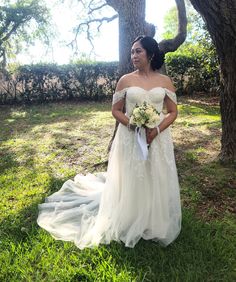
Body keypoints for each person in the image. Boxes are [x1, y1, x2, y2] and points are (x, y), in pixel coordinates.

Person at [37, 35, 181, 249]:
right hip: (131, 137)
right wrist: (133, 125)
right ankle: (130, 215)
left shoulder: (164, 81)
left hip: (158, 138)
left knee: (155, 173)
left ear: (150, 54)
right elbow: (115, 110)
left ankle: (154, 218)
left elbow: (172, 111)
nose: (133, 55)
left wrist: (156, 129)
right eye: (132, 52)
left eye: (138, 51)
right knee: (133, 175)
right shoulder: (125, 80)